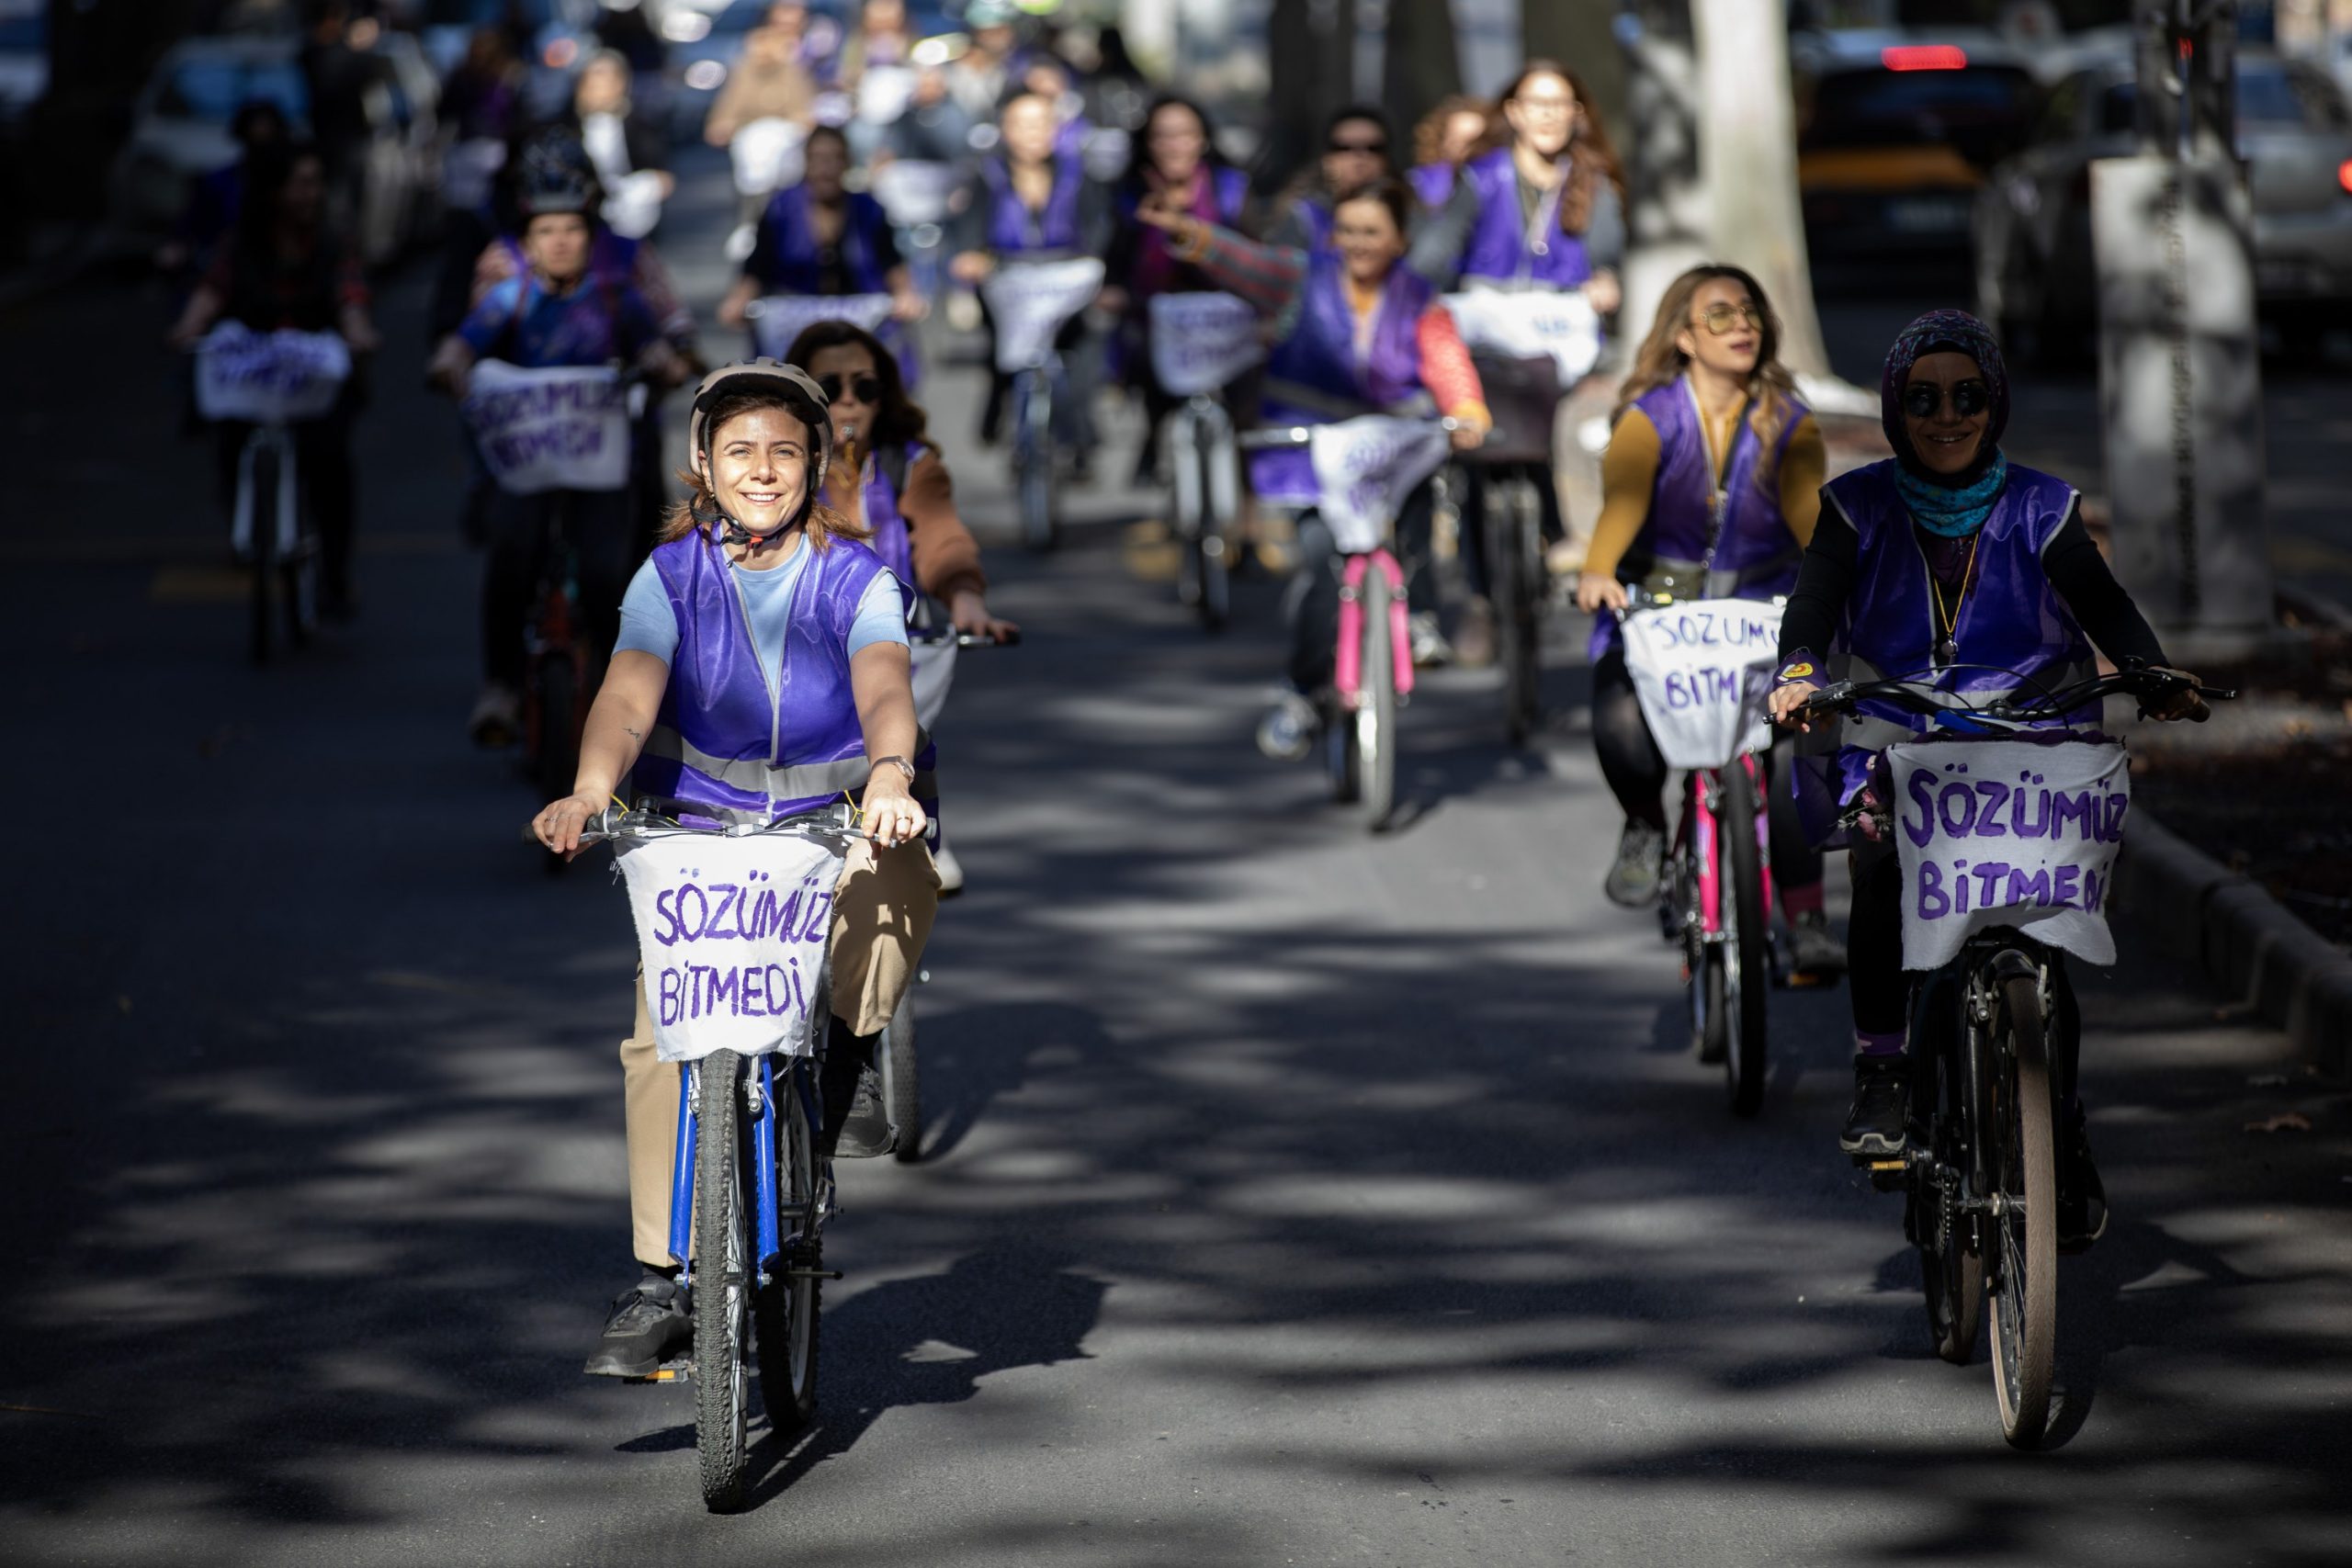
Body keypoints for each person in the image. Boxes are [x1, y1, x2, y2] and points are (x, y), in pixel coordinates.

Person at [531, 362, 940, 1377]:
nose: (762, 470)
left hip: (834, 824)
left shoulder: (856, 578)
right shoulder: (667, 576)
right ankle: (660, 1278)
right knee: (657, 1035)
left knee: (896, 898)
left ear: (816, 463)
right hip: (700, 831)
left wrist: (891, 775)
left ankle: (845, 1054)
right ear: (703, 467)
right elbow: (628, 694)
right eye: (740, 451)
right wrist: (589, 790)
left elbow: (885, 686)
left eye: (784, 452)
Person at [1768, 310, 2206, 1247]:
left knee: (2043, 939)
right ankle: (1883, 1070)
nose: (1946, 416)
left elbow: (2101, 599)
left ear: (1995, 401)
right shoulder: (1854, 506)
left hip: (2030, 735)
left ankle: (2063, 1128)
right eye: (1922, 399)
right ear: (1894, 409)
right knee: (1878, 866)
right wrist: (1798, 672)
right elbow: (1812, 605)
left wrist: (2152, 670)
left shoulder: (2044, 507)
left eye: (1967, 395)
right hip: (1896, 731)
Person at [1142, 179, 1491, 754]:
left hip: (1392, 450)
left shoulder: (1420, 298)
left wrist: (1468, 410)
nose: (1358, 243)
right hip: (1309, 453)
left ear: (1399, 240)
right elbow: (1245, 262)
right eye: (1347, 230)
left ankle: (1418, 618)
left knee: (1419, 507)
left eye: (1372, 231)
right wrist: (1190, 233)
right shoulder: (1301, 278)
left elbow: (1447, 359)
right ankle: (1302, 692)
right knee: (1321, 569)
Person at [1571, 265, 1843, 976]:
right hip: (1659, 610)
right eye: (1720, 314)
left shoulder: (1789, 419)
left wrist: (1840, 580)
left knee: (1799, 740)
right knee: (1618, 716)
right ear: (1685, 336)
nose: (1742, 325)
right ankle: (1644, 823)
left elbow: (1810, 518)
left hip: (1766, 608)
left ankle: (1806, 916)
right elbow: (1623, 504)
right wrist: (1598, 570)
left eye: (1750, 311)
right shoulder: (1649, 417)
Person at [427, 151, 688, 745]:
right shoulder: (509, 297)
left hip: (601, 470)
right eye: (546, 231)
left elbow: (654, 346)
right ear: (527, 241)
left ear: (589, 235)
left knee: (607, 574)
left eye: (572, 228)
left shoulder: (616, 295)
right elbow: (462, 345)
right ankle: (500, 686)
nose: (561, 241)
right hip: (528, 468)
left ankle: (623, 696)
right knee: (511, 557)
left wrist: (665, 364)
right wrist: (449, 364)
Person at [788, 318, 1022, 893]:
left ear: (885, 395)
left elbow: (941, 536)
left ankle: (918, 830)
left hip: (895, 641)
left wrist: (966, 599)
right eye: (830, 387)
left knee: (901, 741)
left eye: (865, 387)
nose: (849, 400)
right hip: (795, 647)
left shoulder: (909, 463)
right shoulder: (777, 467)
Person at [1416, 62, 1627, 665]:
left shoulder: (1595, 184)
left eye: (1560, 104)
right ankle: (1482, 597)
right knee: (1478, 450)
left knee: (1568, 419)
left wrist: (1605, 286)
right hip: (1486, 332)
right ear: (1513, 112)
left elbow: (1606, 261)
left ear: (1577, 114)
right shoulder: (1481, 178)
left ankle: (1564, 528)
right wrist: (1419, 292)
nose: (1548, 116)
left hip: (1558, 338)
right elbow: (1438, 251)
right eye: (1537, 103)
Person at [168, 141, 379, 620]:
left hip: (315, 381)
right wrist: (188, 326)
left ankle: (334, 576)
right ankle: (245, 524)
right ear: (274, 192)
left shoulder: (331, 242)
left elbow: (350, 296)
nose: (312, 194)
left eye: (316, 183)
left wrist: (359, 331)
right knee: (228, 441)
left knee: (330, 466)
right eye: (301, 184)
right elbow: (211, 291)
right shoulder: (240, 244)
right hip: (254, 378)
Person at [1100, 93, 1253, 485]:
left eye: (1184, 134)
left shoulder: (1231, 189)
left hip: (1225, 314)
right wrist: (1113, 290)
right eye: (1163, 136)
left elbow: (1254, 253)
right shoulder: (1132, 194)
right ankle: (1153, 436)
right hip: (1156, 314)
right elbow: (1116, 254)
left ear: (1203, 139)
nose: (1174, 146)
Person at [949, 91, 1113, 457]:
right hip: (1009, 280)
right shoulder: (987, 174)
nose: (1031, 134)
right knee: (1002, 351)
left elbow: (1099, 226)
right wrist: (969, 255)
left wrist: (1099, 267)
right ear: (1005, 129)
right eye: (1021, 124)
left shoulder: (1078, 173)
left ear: (1055, 129)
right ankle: (1002, 406)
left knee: (1083, 352)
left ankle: (1079, 435)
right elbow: (970, 225)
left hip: (1069, 280)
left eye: (1040, 124)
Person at [717, 125, 926, 367]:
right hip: (792, 321)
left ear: (847, 162)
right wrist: (739, 300)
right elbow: (757, 265)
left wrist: (906, 295)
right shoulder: (781, 209)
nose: (826, 168)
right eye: (817, 159)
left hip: (858, 322)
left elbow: (891, 261)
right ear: (806, 163)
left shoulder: (868, 209)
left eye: (835, 158)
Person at [566, 49, 673, 240]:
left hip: (629, 215)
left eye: (612, 80)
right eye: (597, 80)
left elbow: (661, 174)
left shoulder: (639, 124)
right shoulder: (567, 127)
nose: (604, 88)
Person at [1267, 105, 1399, 259]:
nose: (1360, 157)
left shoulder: (1408, 215)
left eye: (1373, 148)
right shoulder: (1303, 218)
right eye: (1345, 147)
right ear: (1327, 159)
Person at [1408, 94, 1488, 209]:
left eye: (1475, 141)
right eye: (1457, 141)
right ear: (1440, 141)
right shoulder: (1417, 183)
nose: (1466, 149)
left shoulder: (1496, 180)